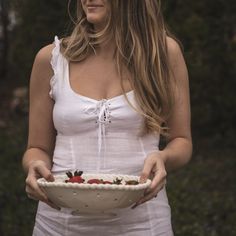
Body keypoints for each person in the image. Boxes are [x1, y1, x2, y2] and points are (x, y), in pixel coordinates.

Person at [22, 0, 192, 235]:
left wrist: (164, 157)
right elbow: (36, 147)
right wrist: (34, 165)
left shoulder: (163, 54)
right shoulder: (51, 59)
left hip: (143, 223)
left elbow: (182, 141)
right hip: (59, 224)